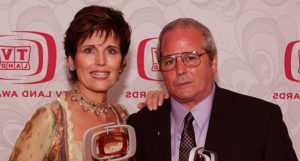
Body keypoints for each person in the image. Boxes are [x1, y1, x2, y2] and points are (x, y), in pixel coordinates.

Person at [127, 18, 298, 161]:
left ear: (213, 62)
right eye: (170, 61)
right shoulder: (140, 125)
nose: (180, 69)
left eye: (190, 57)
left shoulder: (261, 120)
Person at [9, 5, 131, 161]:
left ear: (121, 64)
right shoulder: (52, 118)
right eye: (89, 50)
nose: (101, 61)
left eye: (111, 51)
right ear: (71, 60)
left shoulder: (122, 117)